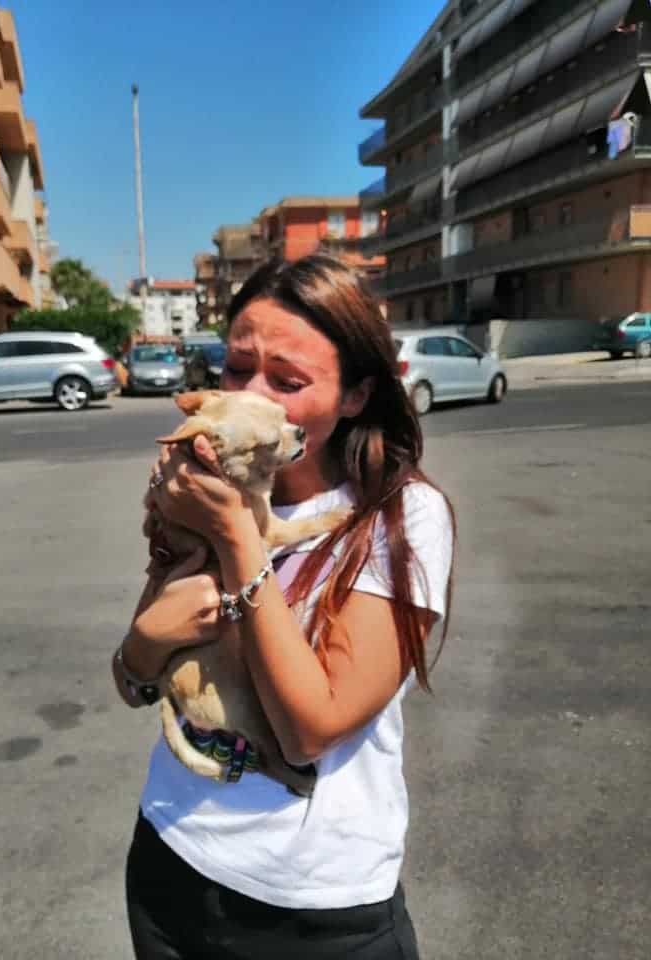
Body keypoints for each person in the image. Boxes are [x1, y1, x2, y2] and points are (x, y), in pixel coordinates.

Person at [112, 254, 455, 960]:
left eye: (288, 381)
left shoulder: (398, 518)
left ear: (356, 395)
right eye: (237, 368)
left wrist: (237, 535)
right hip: (170, 858)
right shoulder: (203, 484)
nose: (254, 395)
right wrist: (145, 639)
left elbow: (308, 731)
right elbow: (135, 681)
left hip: (314, 912)